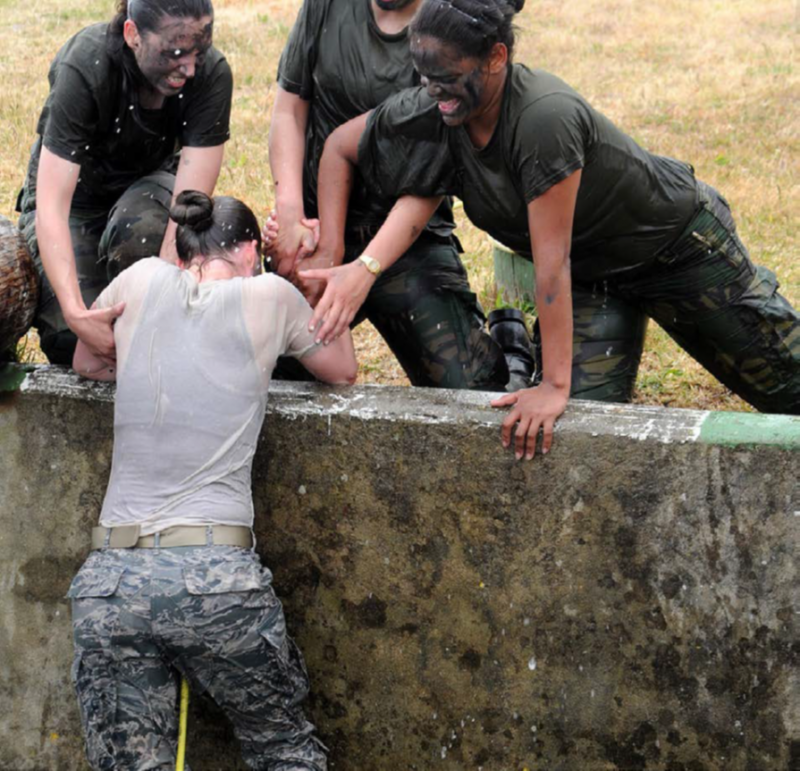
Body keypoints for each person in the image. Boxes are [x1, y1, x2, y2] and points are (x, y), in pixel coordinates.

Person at [304, 0, 800, 460]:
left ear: (496, 57)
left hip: (676, 253)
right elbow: (340, 148)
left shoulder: (543, 118)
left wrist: (555, 385)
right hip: (590, 279)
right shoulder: (439, 109)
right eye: (424, 74)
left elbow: (550, 261)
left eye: (448, 76)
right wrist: (333, 255)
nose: (432, 91)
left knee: (786, 388)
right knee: (573, 440)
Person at [69, 190, 355, 770]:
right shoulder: (269, 295)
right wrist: (301, 274)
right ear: (250, 249)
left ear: (186, 249)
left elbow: (87, 361)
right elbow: (342, 369)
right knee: (283, 750)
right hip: (213, 581)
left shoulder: (140, 279)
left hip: (108, 587)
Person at [267, 0, 524, 390]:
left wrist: (366, 267)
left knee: (471, 388)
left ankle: (513, 348)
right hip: (319, 226)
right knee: (267, 371)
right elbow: (289, 110)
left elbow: (430, 179)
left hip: (407, 240)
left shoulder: (448, 24)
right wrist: (290, 214)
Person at [18, 0, 233, 367]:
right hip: (76, 202)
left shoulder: (211, 74)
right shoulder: (87, 66)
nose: (191, 67)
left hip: (151, 188)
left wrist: (164, 303)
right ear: (132, 34)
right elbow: (53, 205)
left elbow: (188, 203)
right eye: (175, 53)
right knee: (72, 342)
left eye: (200, 50)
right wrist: (75, 313)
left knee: (143, 239)